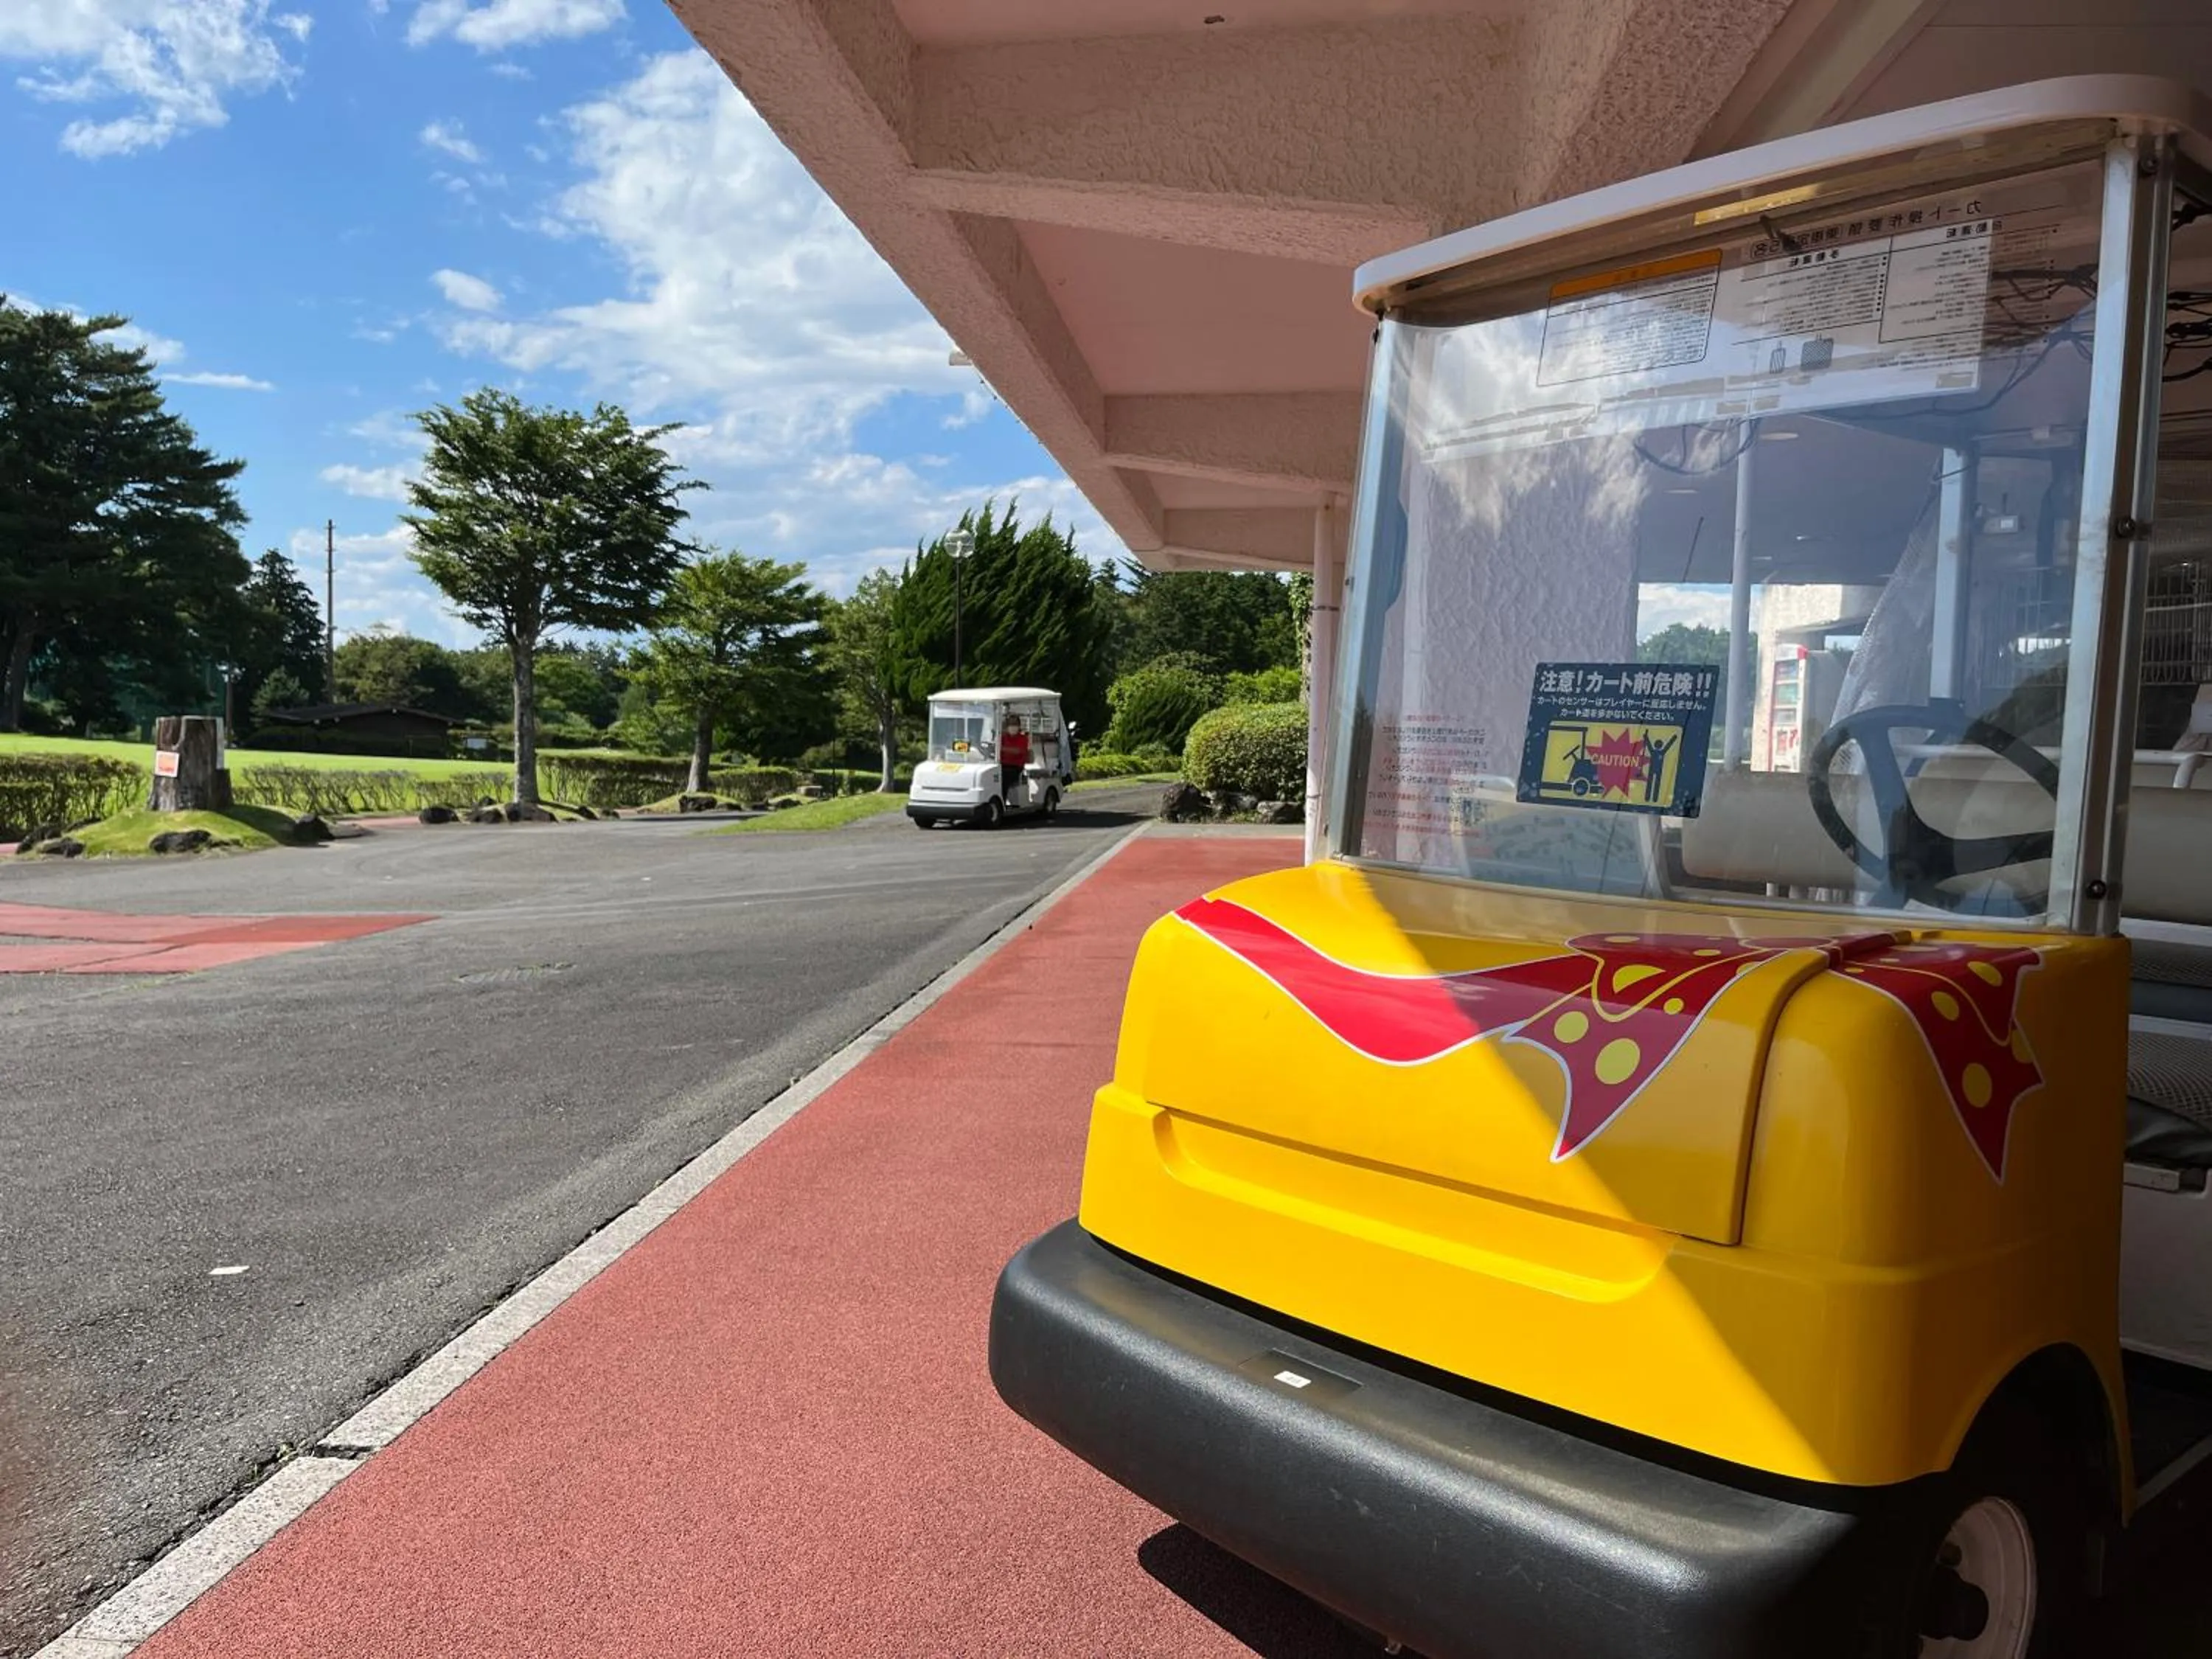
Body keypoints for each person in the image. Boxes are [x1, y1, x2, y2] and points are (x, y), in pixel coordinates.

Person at [1000, 714, 1031, 805]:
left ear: (1019, 726)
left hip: (1016, 768)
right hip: (1001, 765)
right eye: (1011, 724)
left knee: (1004, 778)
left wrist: (1002, 749)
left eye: (1015, 724)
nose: (1013, 727)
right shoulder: (1003, 738)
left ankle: (1002, 802)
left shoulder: (1023, 739)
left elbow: (1018, 751)